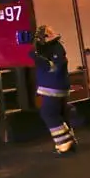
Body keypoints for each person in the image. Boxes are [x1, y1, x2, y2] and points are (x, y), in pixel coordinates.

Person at [32, 25, 77, 155]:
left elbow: (54, 66)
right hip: (57, 87)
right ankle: (70, 141)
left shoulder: (54, 49)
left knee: (49, 113)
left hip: (53, 88)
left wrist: (35, 58)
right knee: (61, 115)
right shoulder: (54, 47)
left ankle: (64, 144)